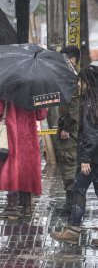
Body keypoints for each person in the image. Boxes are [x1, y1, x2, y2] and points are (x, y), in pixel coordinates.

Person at [50, 65, 98, 246]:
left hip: (91, 158)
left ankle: (73, 230)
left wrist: (85, 159)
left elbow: (91, 134)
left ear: (87, 82)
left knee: (79, 190)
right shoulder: (93, 99)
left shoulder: (90, 102)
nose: (79, 84)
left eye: (81, 81)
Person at [0, 97, 48, 217]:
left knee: (11, 167)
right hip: (29, 138)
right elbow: (41, 115)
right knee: (27, 167)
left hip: (11, 135)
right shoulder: (35, 90)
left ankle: (12, 207)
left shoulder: (5, 87)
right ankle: (27, 206)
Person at [55, 45, 81, 214]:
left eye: (64, 59)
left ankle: (72, 205)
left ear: (72, 60)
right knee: (68, 162)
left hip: (70, 130)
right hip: (69, 126)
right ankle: (71, 203)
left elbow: (75, 108)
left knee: (69, 163)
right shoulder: (70, 77)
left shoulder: (73, 79)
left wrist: (67, 128)